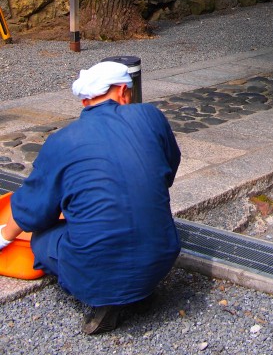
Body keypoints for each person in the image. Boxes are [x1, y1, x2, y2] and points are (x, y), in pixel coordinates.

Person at [0, 60, 181, 335]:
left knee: (41, 238)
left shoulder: (63, 140)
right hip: (163, 257)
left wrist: (3, 238)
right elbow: (168, 170)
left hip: (96, 273)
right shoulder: (151, 117)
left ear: (85, 102)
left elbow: (32, 211)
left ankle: (108, 298)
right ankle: (141, 288)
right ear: (122, 92)